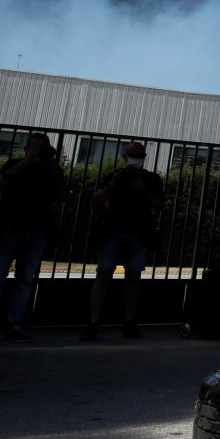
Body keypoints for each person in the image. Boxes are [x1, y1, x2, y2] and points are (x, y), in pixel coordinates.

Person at [0, 133, 63, 343]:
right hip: (9, 226)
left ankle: (15, 324)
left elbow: (63, 195)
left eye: (42, 147)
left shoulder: (51, 169)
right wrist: (26, 161)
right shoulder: (15, 164)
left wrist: (52, 171)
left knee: (24, 280)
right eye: (35, 146)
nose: (39, 151)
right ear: (27, 148)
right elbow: (0, 184)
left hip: (37, 228)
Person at [82, 142, 163, 340]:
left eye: (140, 154)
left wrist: (142, 190)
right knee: (103, 274)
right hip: (113, 230)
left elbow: (160, 204)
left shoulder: (150, 178)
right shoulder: (113, 176)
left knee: (133, 277)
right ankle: (93, 322)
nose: (137, 157)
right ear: (125, 156)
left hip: (138, 231)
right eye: (133, 154)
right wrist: (113, 185)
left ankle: (129, 321)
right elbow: (95, 201)